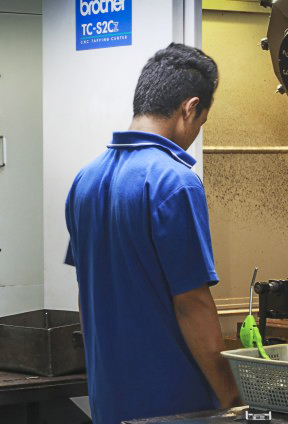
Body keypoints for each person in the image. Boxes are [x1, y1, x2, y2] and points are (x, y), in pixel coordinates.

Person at [65, 43, 240, 424]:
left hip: (109, 401)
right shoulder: (175, 182)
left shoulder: (84, 180)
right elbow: (192, 302)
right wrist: (232, 397)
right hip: (175, 404)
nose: (195, 134)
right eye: (201, 124)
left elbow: (86, 290)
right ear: (190, 108)